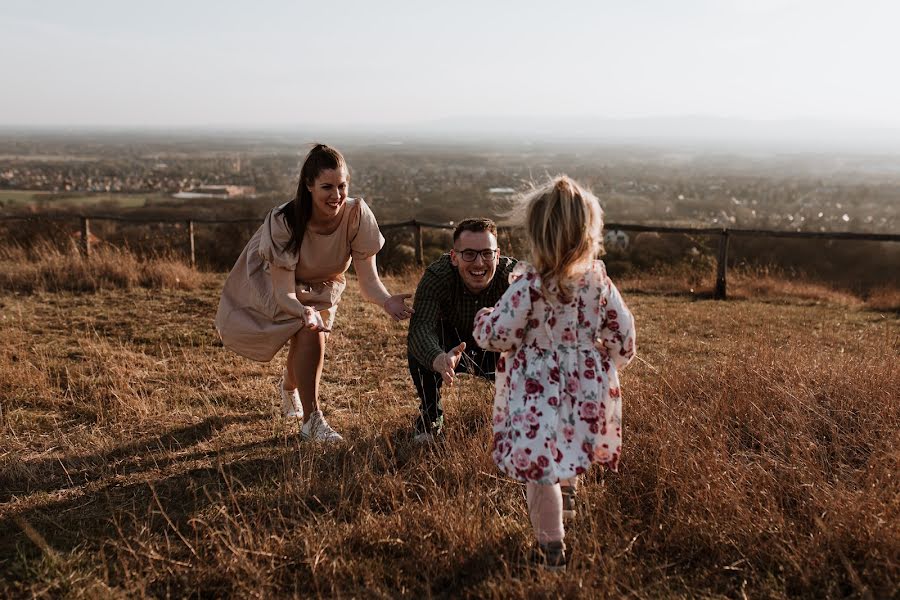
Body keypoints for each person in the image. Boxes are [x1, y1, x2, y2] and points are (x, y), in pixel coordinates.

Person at [473, 176, 636, 571]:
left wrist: (484, 318)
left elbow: (499, 334)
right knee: (569, 444)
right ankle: (570, 502)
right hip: (585, 386)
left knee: (539, 468)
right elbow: (624, 335)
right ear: (588, 234)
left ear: (536, 235)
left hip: (536, 389)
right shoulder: (598, 282)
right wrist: (601, 364)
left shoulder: (529, 286)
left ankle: (550, 548)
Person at [215, 143, 413, 442]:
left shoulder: (357, 214)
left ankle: (289, 388)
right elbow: (284, 294)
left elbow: (368, 280)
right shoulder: (285, 220)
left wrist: (386, 300)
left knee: (307, 341)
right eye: (327, 187)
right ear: (308, 186)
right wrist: (303, 310)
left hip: (322, 285)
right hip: (278, 283)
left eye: (342, 186)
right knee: (310, 332)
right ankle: (312, 421)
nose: (336, 195)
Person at [406, 218, 517, 443]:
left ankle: (517, 418)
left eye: (487, 253)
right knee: (420, 350)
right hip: (451, 349)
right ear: (454, 257)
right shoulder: (437, 277)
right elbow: (421, 329)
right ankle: (430, 417)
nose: (478, 263)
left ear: (497, 255)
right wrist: (437, 358)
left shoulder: (516, 278)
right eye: (469, 254)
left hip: (498, 352)